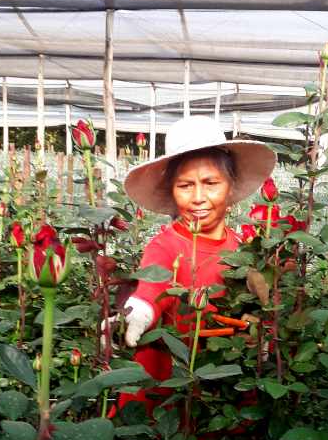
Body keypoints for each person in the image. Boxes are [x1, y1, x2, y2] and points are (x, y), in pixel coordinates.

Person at [118, 115, 276, 406]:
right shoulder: (165, 245)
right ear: (171, 191)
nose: (198, 197)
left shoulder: (241, 251)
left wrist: (256, 330)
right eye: (185, 185)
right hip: (167, 384)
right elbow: (151, 289)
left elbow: (251, 309)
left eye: (211, 183)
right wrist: (139, 311)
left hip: (221, 387)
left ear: (231, 186)